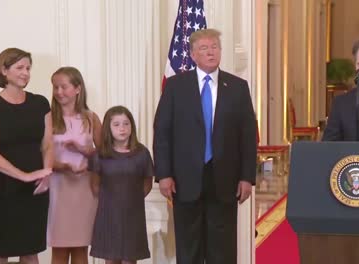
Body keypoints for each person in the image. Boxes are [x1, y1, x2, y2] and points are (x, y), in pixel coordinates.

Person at [153, 28, 257, 264]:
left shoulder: (238, 87)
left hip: (225, 180)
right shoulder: (175, 86)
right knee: (189, 249)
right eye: (204, 48)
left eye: (214, 47)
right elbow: (162, 133)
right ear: (192, 54)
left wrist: (247, 177)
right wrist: (164, 174)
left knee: (223, 250)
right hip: (184, 180)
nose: (211, 52)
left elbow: (248, 137)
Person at [0, 48, 53, 264]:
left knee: (30, 248)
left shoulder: (40, 103)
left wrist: (46, 173)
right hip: (0, 187)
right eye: (19, 68)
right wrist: (24, 175)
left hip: (34, 187)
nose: (25, 73)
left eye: (28, 68)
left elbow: (48, 145)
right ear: (4, 70)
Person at [47, 67, 102, 264]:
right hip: (58, 188)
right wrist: (61, 166)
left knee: (80, 247)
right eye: (55, 87)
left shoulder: (90, 118)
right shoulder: (48, 118)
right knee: (60, 248)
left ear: (78, 89)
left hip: (84, 189)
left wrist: (84, 152)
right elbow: (40, 156)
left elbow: (106, 155)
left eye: (64, 87)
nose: (58, 92)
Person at [89, 106, 153, 264]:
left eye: (126, 123)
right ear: (108, 128)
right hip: (108, 213)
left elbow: (147, 183)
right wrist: (112, 201)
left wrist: (130, 199)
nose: (122, 128)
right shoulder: (100, 155)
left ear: (132, 126)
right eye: (116, 124)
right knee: (110, 259)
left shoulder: (142, 153)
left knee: (129, 259)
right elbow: (95, 185)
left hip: (133, 214)